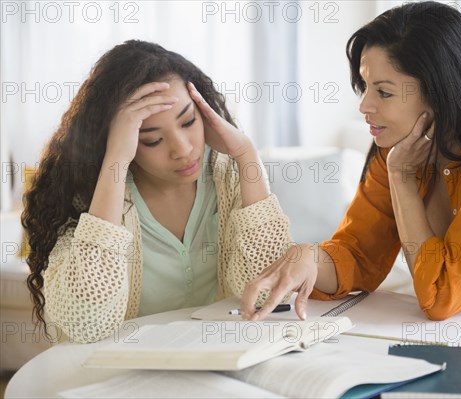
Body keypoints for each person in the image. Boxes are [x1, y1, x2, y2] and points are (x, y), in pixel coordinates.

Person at [240, 1, 461, 339]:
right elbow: (359, 256)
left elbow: (444, 294)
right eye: (364, 86)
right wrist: (308, 257)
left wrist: (402, 181)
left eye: (383, 92)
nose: (364, 105)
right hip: (459, 340)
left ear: (439, 91)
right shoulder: (395, 149)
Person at [22, 40, 292, 343]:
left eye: (188, 121)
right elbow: (86, 324)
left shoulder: (227, 175)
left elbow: (266, 297)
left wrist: (246, 154)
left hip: (219, 359)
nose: (183, 149)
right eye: (152, 140)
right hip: (124, 372)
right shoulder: (92, 196)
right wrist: (115, 160)